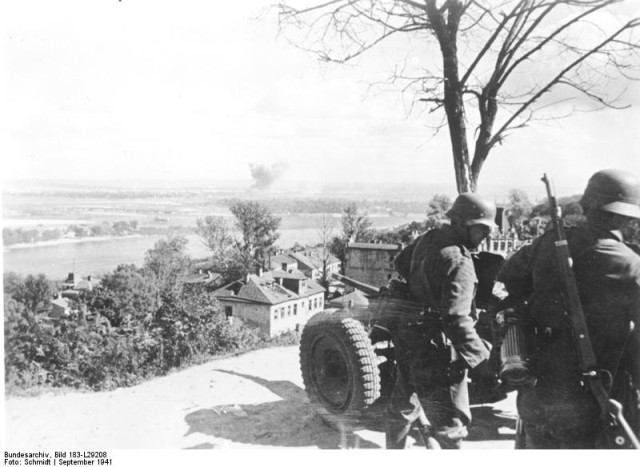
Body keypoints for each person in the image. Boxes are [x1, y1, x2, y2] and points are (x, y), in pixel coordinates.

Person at [495, 169, 640, 448]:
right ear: (623, 216)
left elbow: (508, 280)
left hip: (537, 393)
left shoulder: (546, 243)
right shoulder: (629, 265)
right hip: (593, 400)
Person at [385, 193, 495, 449]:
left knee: (403, 406)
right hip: (435, 351)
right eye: (482, 228)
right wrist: (484, 359)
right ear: (463, 224)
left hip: (409, 337)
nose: (486, 235)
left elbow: (401, 262)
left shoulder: (429, 238)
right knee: (448, 426)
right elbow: (456, 319)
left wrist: (425, 288)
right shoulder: (459, 261)